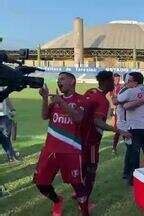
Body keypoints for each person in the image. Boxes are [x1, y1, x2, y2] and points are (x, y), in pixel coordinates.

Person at [34, 72, 87, 216]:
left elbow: (77, 118)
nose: (59, 81)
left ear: (72, 81)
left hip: (71, 150)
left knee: (77, 184)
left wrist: (61, 102)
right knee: (41, 183)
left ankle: (85, 212)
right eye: (58, 79)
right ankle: (57, 200)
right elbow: (45, 116)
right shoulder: (56, 101)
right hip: (50, 149)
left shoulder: (81, 100)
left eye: (62, 79)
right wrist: (45, 98)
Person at [81, 71, 130, 214]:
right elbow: (98, 122)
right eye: (111, 81)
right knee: (90, 172)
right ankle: (83, 200)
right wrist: (118, 130)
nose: (113, 83)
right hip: (91, 141)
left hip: (80, 138)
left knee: (83, 168)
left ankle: (78, 193)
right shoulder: (102, 100)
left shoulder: (90, 91)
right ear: (105, 82)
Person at [116, 72, 144, 185]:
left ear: (136, 82)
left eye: (130, 81)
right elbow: (143, 99)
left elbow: (117, 100)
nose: (127, 83)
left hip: (134, 126)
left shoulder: (131, 91)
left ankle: (133, 178)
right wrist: (139, 101)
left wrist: (127, 104)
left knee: (133, 153)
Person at [0, 91, 18, 162]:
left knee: (6, 136)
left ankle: (11, 156)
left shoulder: (3, 84)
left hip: (4, 115)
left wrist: (12, 109)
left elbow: (7, 98)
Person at [110, 73, 123, 154]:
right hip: (114, 109)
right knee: (116, 129)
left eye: (118, 78)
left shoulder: (121, 86)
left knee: (120, 128)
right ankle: (114, 148)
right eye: (115, 79)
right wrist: (112, 108)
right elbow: (110, 97)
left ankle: (114, 148)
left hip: (121, 109)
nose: (117, 80)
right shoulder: (110, 87)